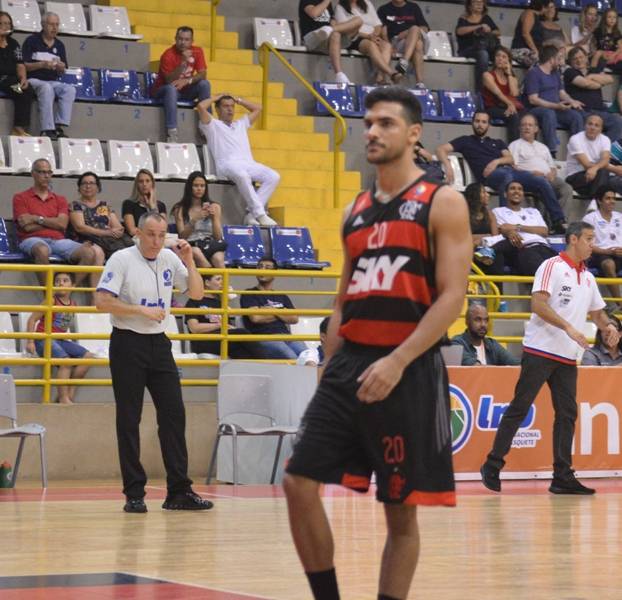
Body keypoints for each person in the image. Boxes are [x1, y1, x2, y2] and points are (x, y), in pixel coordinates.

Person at [283, 86, 471, 600]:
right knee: (297, 482)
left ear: (413, 134)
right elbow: (343, 299)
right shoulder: (356, 210)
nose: (372, 131)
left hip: (408, 367)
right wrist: (330, 364)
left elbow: (453, 297)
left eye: (386, 123)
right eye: (368, 123)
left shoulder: (443, 202)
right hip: (351, 362)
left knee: (400, 514)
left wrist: (399, 359)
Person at [481, 221, 620, 495]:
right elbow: (538, 304)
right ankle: (492, 464)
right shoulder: (551, 266)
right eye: (589, 238)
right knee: (520, 407)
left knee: (567, 414)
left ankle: (562, 476)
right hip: (540, 350)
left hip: (567, 356)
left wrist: (609, 327)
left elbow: (597, 314)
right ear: (573, 239)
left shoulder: (588, 277)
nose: (592, 244)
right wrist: (568, 327)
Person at [95, 212, 213, 513]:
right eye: (150, 234)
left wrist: (189, 261)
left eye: (162, 235)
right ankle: (134, 493)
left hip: (159, 344)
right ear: (138, 233)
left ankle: (179, 491)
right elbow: (102, 301)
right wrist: (139, 310)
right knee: (129, 418)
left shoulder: (169, 259)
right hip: (127, 343)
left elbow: (197, 293)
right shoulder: (121, 259)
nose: (156, 241)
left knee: (174, 415)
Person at [436, 110, 568, 213]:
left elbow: (510, 158)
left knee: (540, 181)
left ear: (489, 125)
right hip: (490, 176)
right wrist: (447, 165)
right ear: (472, 123)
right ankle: (505, 217)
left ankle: (558, 220)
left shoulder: (498, 142)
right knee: (507, 176)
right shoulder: (465, 141)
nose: (480, 124)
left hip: (507, 171)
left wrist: (495, 162)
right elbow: (441, 149)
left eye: (484, 122)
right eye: (477, 121)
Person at [12, 159, 97, 286]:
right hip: (31, 239)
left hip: (58, 241)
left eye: (49, 172)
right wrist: (53, 223)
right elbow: (26, 227)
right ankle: (49, 295)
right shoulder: (20, 197)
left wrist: (36, 218)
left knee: (89, 253)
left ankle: (66, 291)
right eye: (42, 172)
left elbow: (62, 224)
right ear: (33, 174)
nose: (46, 176)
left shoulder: (60, 199)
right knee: (42, 250)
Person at [197, 94, 278, 226]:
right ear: (217, 109)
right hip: (227, 164)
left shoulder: (240, 124)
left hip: (248, 163)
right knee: (242, 175)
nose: (230, 109)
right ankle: (260, 214)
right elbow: (201, 106)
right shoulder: (212, 125)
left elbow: (258, 108)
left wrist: (239, 100)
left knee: (273, 176)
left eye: (232, 106)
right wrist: (216, 97)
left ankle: (251, 214)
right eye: (225, 106)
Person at [26, 272, 94, 404]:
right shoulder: (51, 301)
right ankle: (63, 398)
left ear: (73, 286)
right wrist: (30, 341)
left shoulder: (73, 304)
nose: (61, 283)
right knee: (66, 362)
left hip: (60, 340)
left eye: (65, 280)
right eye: (57, 281)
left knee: (89, 357)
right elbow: (32, 319)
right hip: (44, 339)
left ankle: (69, 394)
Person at [508, 113, 571, 230]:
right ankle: (557, 220)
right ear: (519, 128)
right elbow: (514, 167)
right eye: (524, 125)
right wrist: (531, 173)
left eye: (530, 125)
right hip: (528, 178)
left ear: (536, 129)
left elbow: (552, 166)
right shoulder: (515, 145)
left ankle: (562, 223)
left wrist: (552, 174)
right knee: (542, 184)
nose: (527, 127)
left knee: (566, 188)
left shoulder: (543, 147)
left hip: (547, 178)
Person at [185, 273, 268, 358]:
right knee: (242, 333)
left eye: (222, 279)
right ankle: (267, 363)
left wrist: (227, 297)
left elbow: (229, 326)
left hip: (223, 339)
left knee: (244, 353)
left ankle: (265, 364)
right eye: (218, 279)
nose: (222, 282)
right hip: (203, 341)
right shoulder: (193, 301)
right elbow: (194, 328)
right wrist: (219, 325)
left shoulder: (220, 302)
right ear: (207, 283)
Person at [150, 26, 211, 143]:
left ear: (192, 41)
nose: (183, 42)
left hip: (185, 89)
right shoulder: (168, 55)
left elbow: (203, 74)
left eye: (186, 39)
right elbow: (169, 80)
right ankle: (172, 131)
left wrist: (187, 81)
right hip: (163, 90)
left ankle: (206, 126)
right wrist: (183, 62)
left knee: (204, 84)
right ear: (175, 39)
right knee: (171, 89)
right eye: (180, 39)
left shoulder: (197, 51)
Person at [21, 12, 76, 140]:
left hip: (52, 80)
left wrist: (61, 68)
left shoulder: (60, 45)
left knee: (69, 89)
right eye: (51, 24)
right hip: (33, 79)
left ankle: (59, 125)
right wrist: (42, 64)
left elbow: (62, 71)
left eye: (57, 24)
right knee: (46, 88)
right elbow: (23, 65)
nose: (54, 28)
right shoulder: (31, 41)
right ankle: (47, 129)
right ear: (43, 25)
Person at [239, 257, 307, 359]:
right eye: (260, 267)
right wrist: (281, 312)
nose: (262, 270)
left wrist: (270, 310)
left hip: (286, 336)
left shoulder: (281, 296)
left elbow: (294, 318)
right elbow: (256, 318)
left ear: (274, 273)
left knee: (308, 354)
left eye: (267, 267)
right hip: (264, 338)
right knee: (291, 357)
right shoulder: (248, 294)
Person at [524, 45, 584, 156]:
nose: (560, 62)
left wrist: (572, 101)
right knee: (549, 113)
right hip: (537, 110)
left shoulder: (555, 74)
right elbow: (533, 99)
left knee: (576, 116)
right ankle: (551, 151)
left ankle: (578, 151)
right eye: (558, 58)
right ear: (551, 60)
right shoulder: (534, 73)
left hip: (555, 108)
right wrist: (556, 106)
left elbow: (562, 93)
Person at [491, 180, 557, 276]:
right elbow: (503, 228)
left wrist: (517, 227)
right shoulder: (498, 211)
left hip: (545, 248)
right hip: (524, 249)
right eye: (512, 188)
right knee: (543, 275)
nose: (516, 191)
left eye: (520, 189)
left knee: (563, 272)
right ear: (505, 194)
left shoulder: (533, 211)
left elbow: (544, 231)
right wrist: (510, 231)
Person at [69, 172, 132, 267]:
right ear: (79, 188)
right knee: (98, 253)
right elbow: (80, 227)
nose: (88, 186)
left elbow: (118, 227)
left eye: (91, 183)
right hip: (87, 241)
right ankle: (95, 278)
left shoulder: (104, 205)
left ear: (98, 187)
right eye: (84, 183)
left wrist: (116, 232)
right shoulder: (76, 205)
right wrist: (106, 232)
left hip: (107, 240)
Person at [334, 0, 402, 85]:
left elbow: (378, 25)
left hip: (373, 36)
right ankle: (391, 73)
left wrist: (374, 35)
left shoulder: (367, 3)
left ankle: (380, 78)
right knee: (371, 45)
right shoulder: (340, 7)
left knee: (387, 46)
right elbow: (345, 29)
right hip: (355, 38)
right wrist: (368, 36)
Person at [564, 46, 622, 143]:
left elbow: (610, 79)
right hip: (583, 111)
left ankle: (606, 148)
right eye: (575, 59)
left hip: (600, 111)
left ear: (586, 58)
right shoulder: (569, 72)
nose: (579, 60)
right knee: (582, 120)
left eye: (581, 57)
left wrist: (591, 76)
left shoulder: (593, 71)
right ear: (570, 62)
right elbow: (585, 84)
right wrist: (599, 84)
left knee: (617, 121)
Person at [171, 171, 226, 269]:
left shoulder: (215, 207)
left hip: (211, 244)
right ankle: (211, 276)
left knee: (218, 258)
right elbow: (182, 236)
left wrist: (214, 219)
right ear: (189, 187)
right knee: (196, 252)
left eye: (202, 186)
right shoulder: (179, 209)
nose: (199, 189)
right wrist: (194, 219)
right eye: (196, 186)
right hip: (191, 244)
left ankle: (219, 278)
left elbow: (218, 237)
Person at [299, 0, 361, 84]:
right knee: (335, 35)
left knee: (358, 20)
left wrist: (337, 26)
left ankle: (330, 29)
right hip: (312, 37)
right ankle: (339, 75)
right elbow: (314, 13)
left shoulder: (327, 3)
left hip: (328, 36)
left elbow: (331, 20)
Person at [564, 113, 622, 197]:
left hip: (595, 177)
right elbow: (586, 164)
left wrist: (596, 168)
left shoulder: (605, 140)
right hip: (575, 177)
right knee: (603, 173)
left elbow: (605, 159)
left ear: (601, 129)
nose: (592, 127)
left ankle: (595, 200)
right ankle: (596, 201)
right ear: (585, 126)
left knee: (613, 181)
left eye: (596, 125)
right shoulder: (575, 139)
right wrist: (614, 169)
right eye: (590, 124)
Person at [582, 186, 622, 303]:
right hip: (599, 254)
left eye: (613, 198)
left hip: (619, 253)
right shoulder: (590, 218)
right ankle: (620, 304)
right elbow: (586, 244)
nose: (612, 201)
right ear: (599, 201)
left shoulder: (620, 217)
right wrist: (608, 252)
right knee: (608, 264)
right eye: (608, 198)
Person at [377, 0, 429, 85]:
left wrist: (407, 33)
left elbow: (425, 28)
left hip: (413, 37)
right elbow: (383, 32)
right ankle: (420, 82)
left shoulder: (414, 7)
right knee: (418, 44)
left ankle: (404, 61)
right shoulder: (383, 9)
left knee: (415, 30)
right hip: (396, 42)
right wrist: (389, 44)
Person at [0, 11, 35, 136]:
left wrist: (23, 79)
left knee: (26, 89)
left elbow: (20, 64)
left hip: (11, 80)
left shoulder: (14, 44)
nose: (6, 26)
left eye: (8, 24)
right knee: (18, 88)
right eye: (2, 23)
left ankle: (19, 128)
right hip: (1, 79)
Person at [451, 303, 520, 365]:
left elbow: (514, 362)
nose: (483, 325)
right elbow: (473, 366)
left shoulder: (492, 344)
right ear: (467, 322)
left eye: (486, 320)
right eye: (478, 320)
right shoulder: (456, 343)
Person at [481, 46, 524, 141]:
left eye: (504, 57)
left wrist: (509, 74)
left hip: (507, 106)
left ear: (509, 61)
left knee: (528, 118)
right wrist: (510, 104)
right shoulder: (487, 75)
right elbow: (498, 93)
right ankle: (513, 147)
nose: (500, 58)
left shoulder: (512, 78)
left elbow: (514, 94)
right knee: (513, 115)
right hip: (492, 108)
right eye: (498, 56)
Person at [464, 183, 505, 282]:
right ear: (475, 194)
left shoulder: (490, 214)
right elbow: (463, 238)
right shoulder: (463, 213)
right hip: (469, 249)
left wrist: (479, 240)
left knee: (498, 255)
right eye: (483, 192)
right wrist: (485, 236)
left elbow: (495, 238)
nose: (488, 195)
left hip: (487, 249)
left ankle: (497, 290)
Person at [454, 0, 500, 87]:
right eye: (476, 2)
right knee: (483, 54)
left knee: (501, 54)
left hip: (485, 46)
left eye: (481, 2)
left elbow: (497, 32)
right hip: (467, 49)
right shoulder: (464, 18)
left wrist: (488, 31)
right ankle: (480, 88)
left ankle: (499, 85)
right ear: (469, 5)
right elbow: (459, 31)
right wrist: (479, 26)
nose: (479, 4)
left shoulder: (486, 18)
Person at [121, 169, 168, 239]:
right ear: (137, 185)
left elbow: (163, 229)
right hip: (138, 240)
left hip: (157, 240)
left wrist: (152, 207)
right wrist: (151, 233)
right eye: (141, 181)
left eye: (147, 181)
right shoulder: (128, 204)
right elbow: (132, 231)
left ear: (152, 184)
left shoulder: (161, 205)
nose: (144, 184)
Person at [511, 0, 544, 68]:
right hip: (521, 50)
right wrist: (535, 50)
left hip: (533, 52)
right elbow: (525, 33)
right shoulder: (529, 13)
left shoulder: (538, 18)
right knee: (538, 66)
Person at [591, 8, 622, 72]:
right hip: (602, 52)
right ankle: (592, 70)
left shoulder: (617, 32)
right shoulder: (598, 30)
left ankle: (611, 68)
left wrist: (613, 55)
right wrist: (594, 51)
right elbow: (592, 44)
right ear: (604, 18)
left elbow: (620, 47)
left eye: (614, 17)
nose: (612, 19)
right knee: (598, 53)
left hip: (613, 53)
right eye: (609, 17)